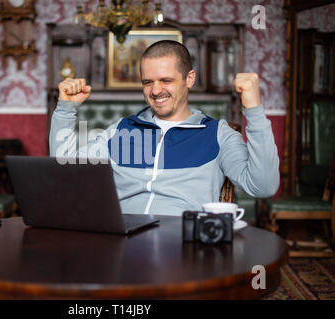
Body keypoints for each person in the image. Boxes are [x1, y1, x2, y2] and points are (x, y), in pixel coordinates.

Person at [49, 40, 279, 216]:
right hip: (121, 244)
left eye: (166, 80)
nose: (156, 91)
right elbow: (64, 171)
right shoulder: (122, 129)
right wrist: (65, 108)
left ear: (189, 79)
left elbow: (263, 186)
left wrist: (254, 109)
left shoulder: (217, 134)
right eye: (148, 82)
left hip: (183, 246)